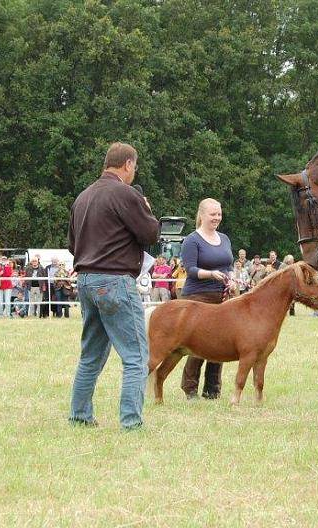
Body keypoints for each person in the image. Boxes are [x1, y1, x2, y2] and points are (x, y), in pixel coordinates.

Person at [68, 142, 159, 429]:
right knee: (136, 356)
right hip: (115, 280)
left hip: (85, 279)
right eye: (135, 167)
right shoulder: (125, 193)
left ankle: (80, 416)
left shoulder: (83, 196)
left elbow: (73, 245)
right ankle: (131, 422)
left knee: (91, 355)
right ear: (128, 164)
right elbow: (150, 233)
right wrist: (145, 210)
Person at [179, 198, 234, 400]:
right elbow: (190, 270)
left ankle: (212, 390)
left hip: (222, 297)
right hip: (197, 297)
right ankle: (190, 388)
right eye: (213, 214)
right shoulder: (192, 240)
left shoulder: (225, 239)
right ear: (201, 215)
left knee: (220, 345)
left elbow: (229, 264)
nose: (217, 218)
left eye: (219, 214)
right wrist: (211, 274)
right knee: (199, 346)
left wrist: (231, 277)